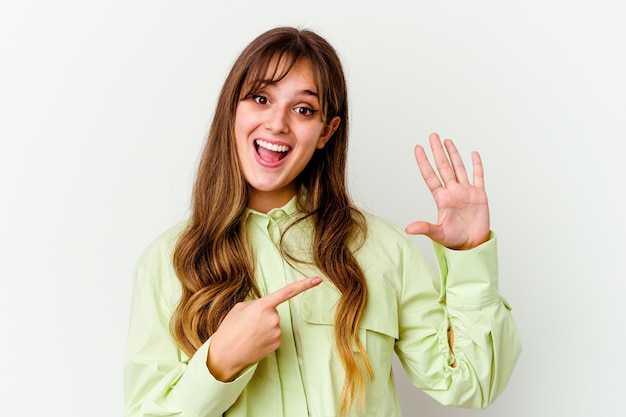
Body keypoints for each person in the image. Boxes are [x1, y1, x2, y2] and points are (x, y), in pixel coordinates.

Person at [123, 26, 521, 417]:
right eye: (261, 98)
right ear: (232, 109)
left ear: (327, 132)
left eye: (303, 109)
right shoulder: (166, 263)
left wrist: (471, 254)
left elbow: (472, 383)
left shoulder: (383, 250)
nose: (278, 123)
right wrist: (218, 365)